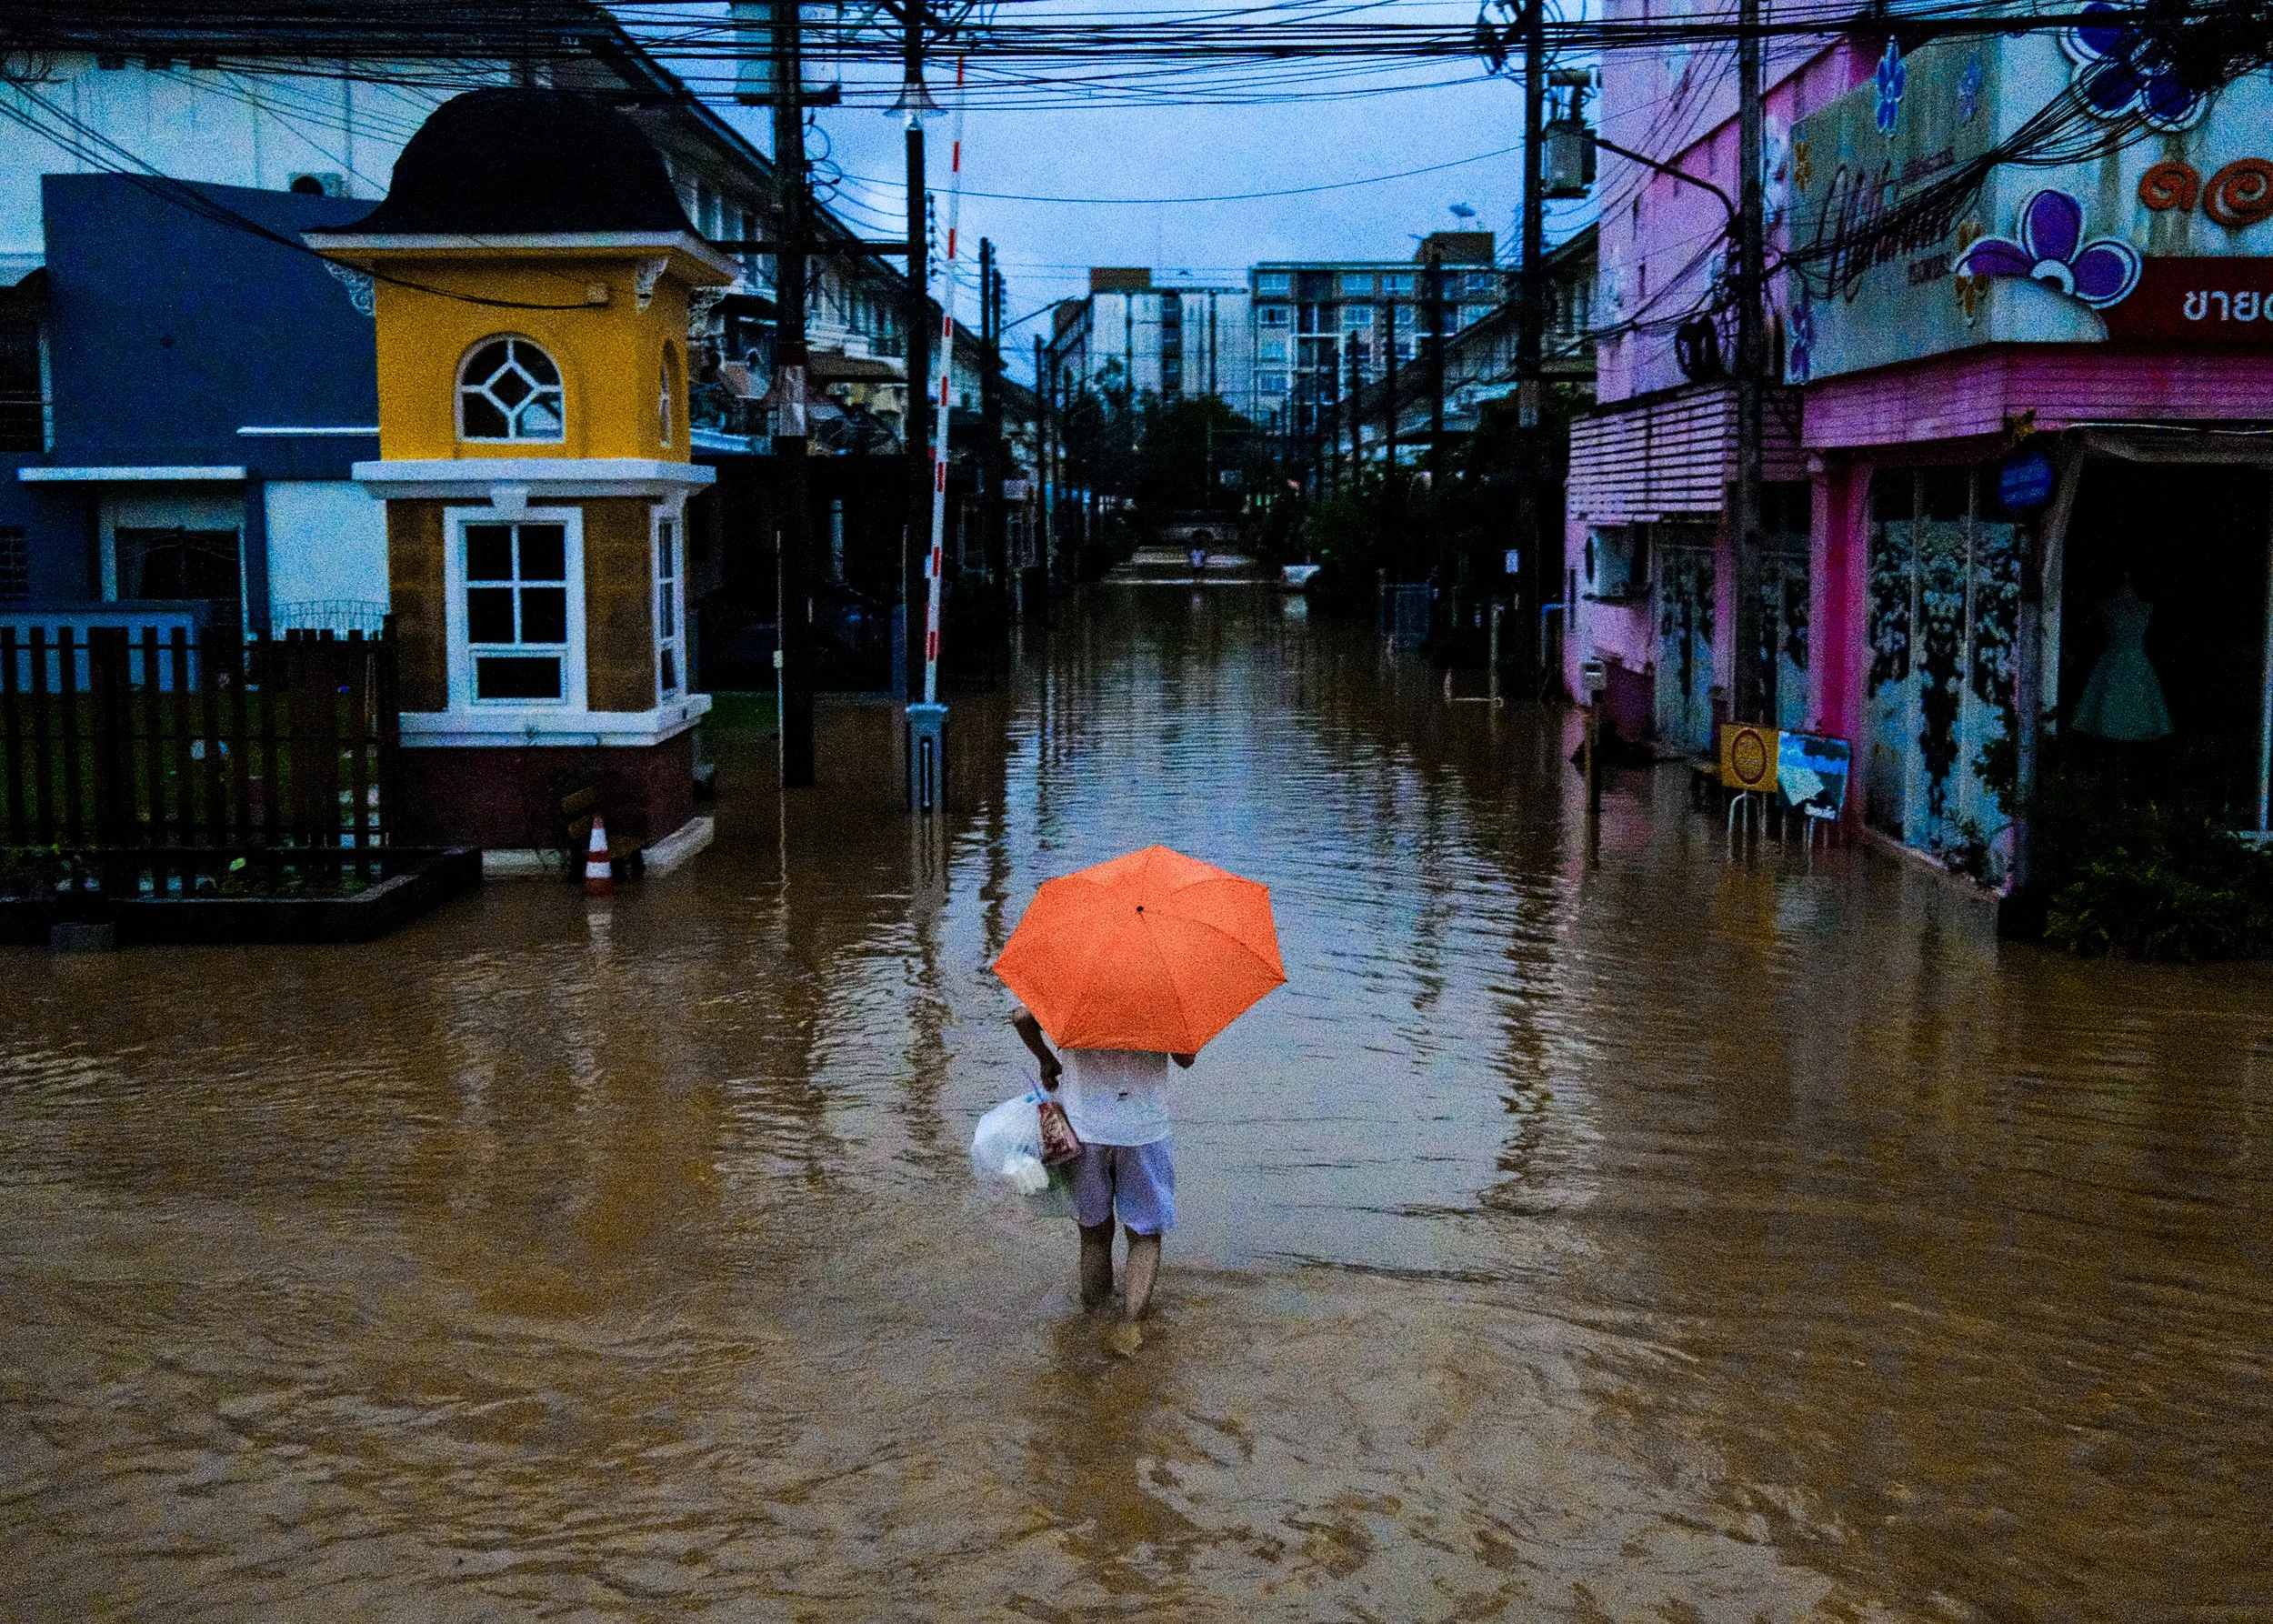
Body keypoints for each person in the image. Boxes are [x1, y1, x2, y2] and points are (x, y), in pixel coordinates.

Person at [1012, 1005, 1194, 1333]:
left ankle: (1094, 1326)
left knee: (1094, 1233)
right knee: (1144, 1235)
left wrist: (1046, 1059)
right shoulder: (1161, 996)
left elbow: (1022, 1018)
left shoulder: (1075, 987)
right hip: (1144, 1131)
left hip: (1086, 1129)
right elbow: (1185, 1059)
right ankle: (1130, 1327)